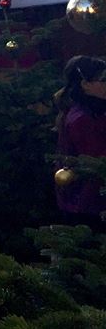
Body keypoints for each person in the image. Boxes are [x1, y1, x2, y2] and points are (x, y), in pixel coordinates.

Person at [55, 55, 106, 228]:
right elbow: (97, 162)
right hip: (88, 204)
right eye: (103, 80)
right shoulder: (83, 118)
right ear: (86, 85)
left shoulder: (93, 112)